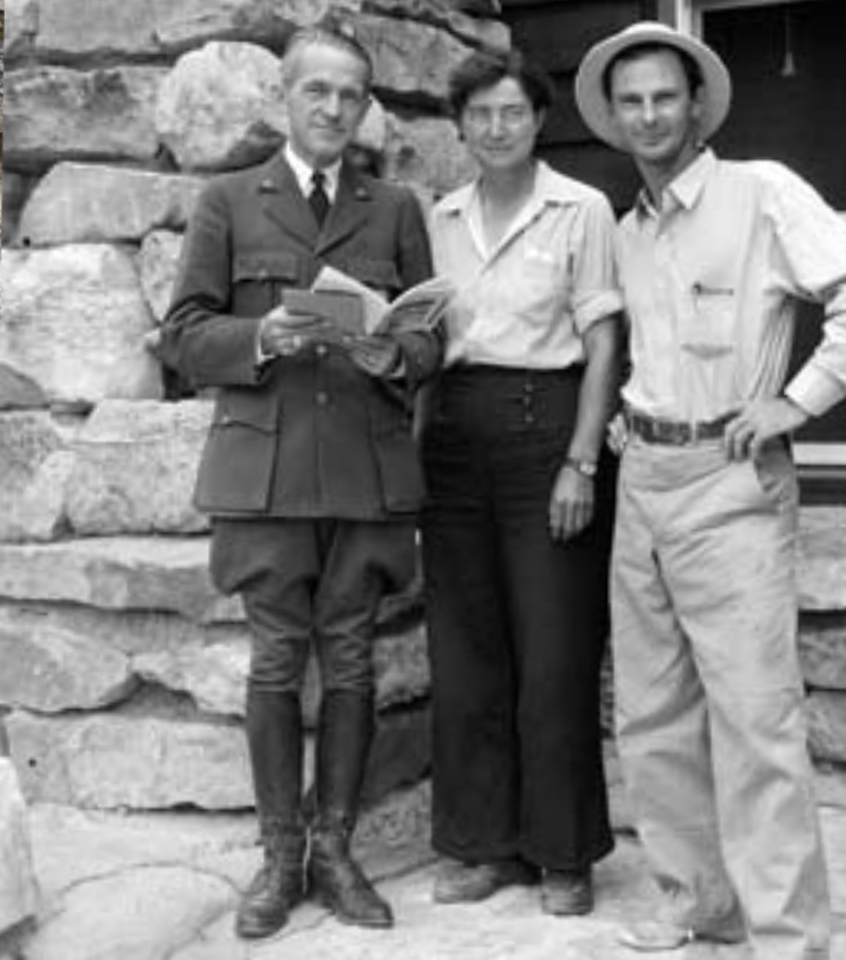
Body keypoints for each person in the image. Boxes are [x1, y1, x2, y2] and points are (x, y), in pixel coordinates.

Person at [574, 21, 846, 958]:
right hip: (644, 479)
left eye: (663, 97)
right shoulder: (630, 231)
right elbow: (653, 348)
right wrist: (624, 419)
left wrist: (795, 402)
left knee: (756, 721)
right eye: (630, 100)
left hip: (731, 483)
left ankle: (790, 936)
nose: (648, 115)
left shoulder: (760, 192)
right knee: (651, 712)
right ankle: (698, 902)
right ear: (615, 115)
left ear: (695, 105)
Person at [158, 18, 441, 940]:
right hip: (266, 477)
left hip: (364, 474)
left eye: (349, 96)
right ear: (286, 97)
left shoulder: (394, 208)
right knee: (279, 663)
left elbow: (429, 336)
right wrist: (262, 337)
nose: (333, 108)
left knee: (353, 661)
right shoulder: (230, 200)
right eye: (317, 90)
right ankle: (280, 856)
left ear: (364, 112)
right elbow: (182, 336)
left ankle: (338, 850)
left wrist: (390, 349)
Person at [421, 48, 624, 917]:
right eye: (480, 115)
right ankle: (482, 845)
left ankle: (565, 854)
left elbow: (606, 346)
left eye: (512, 112)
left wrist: (582, 459)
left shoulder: (582, 209)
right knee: (466, 650)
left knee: (556, 649)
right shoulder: (440, 215)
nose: (497, 127)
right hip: (455, 433)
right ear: (460, 126)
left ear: (538, 120)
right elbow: (427, 342)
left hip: (551, 429)